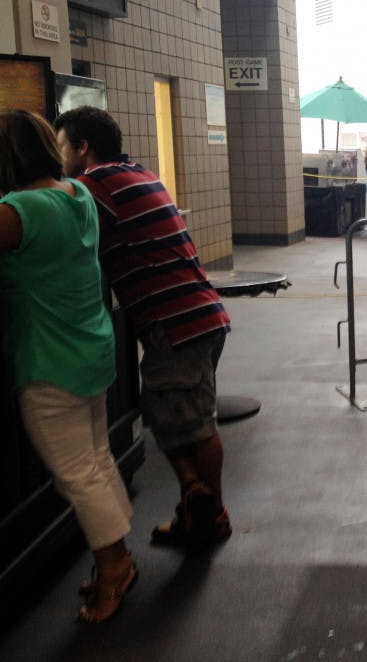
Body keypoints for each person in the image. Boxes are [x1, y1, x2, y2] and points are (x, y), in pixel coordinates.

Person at [54, 106, 233, 551]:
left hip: (174, 325)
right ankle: (196, 504)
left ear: (82, 148)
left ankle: (213, 513)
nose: (58, 157)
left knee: (193, 424)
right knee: (166, 411)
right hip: (201, 316)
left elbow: (50, 215)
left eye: (60, 145)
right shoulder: (139, 174)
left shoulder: (92, 184)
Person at [0, 111, 135, 623]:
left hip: (49, 363)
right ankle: (117, 558)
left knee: (79, 474)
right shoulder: (78, 197)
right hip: (91, 349)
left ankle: (115, 567)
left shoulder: (19, 210)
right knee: (97, 462)